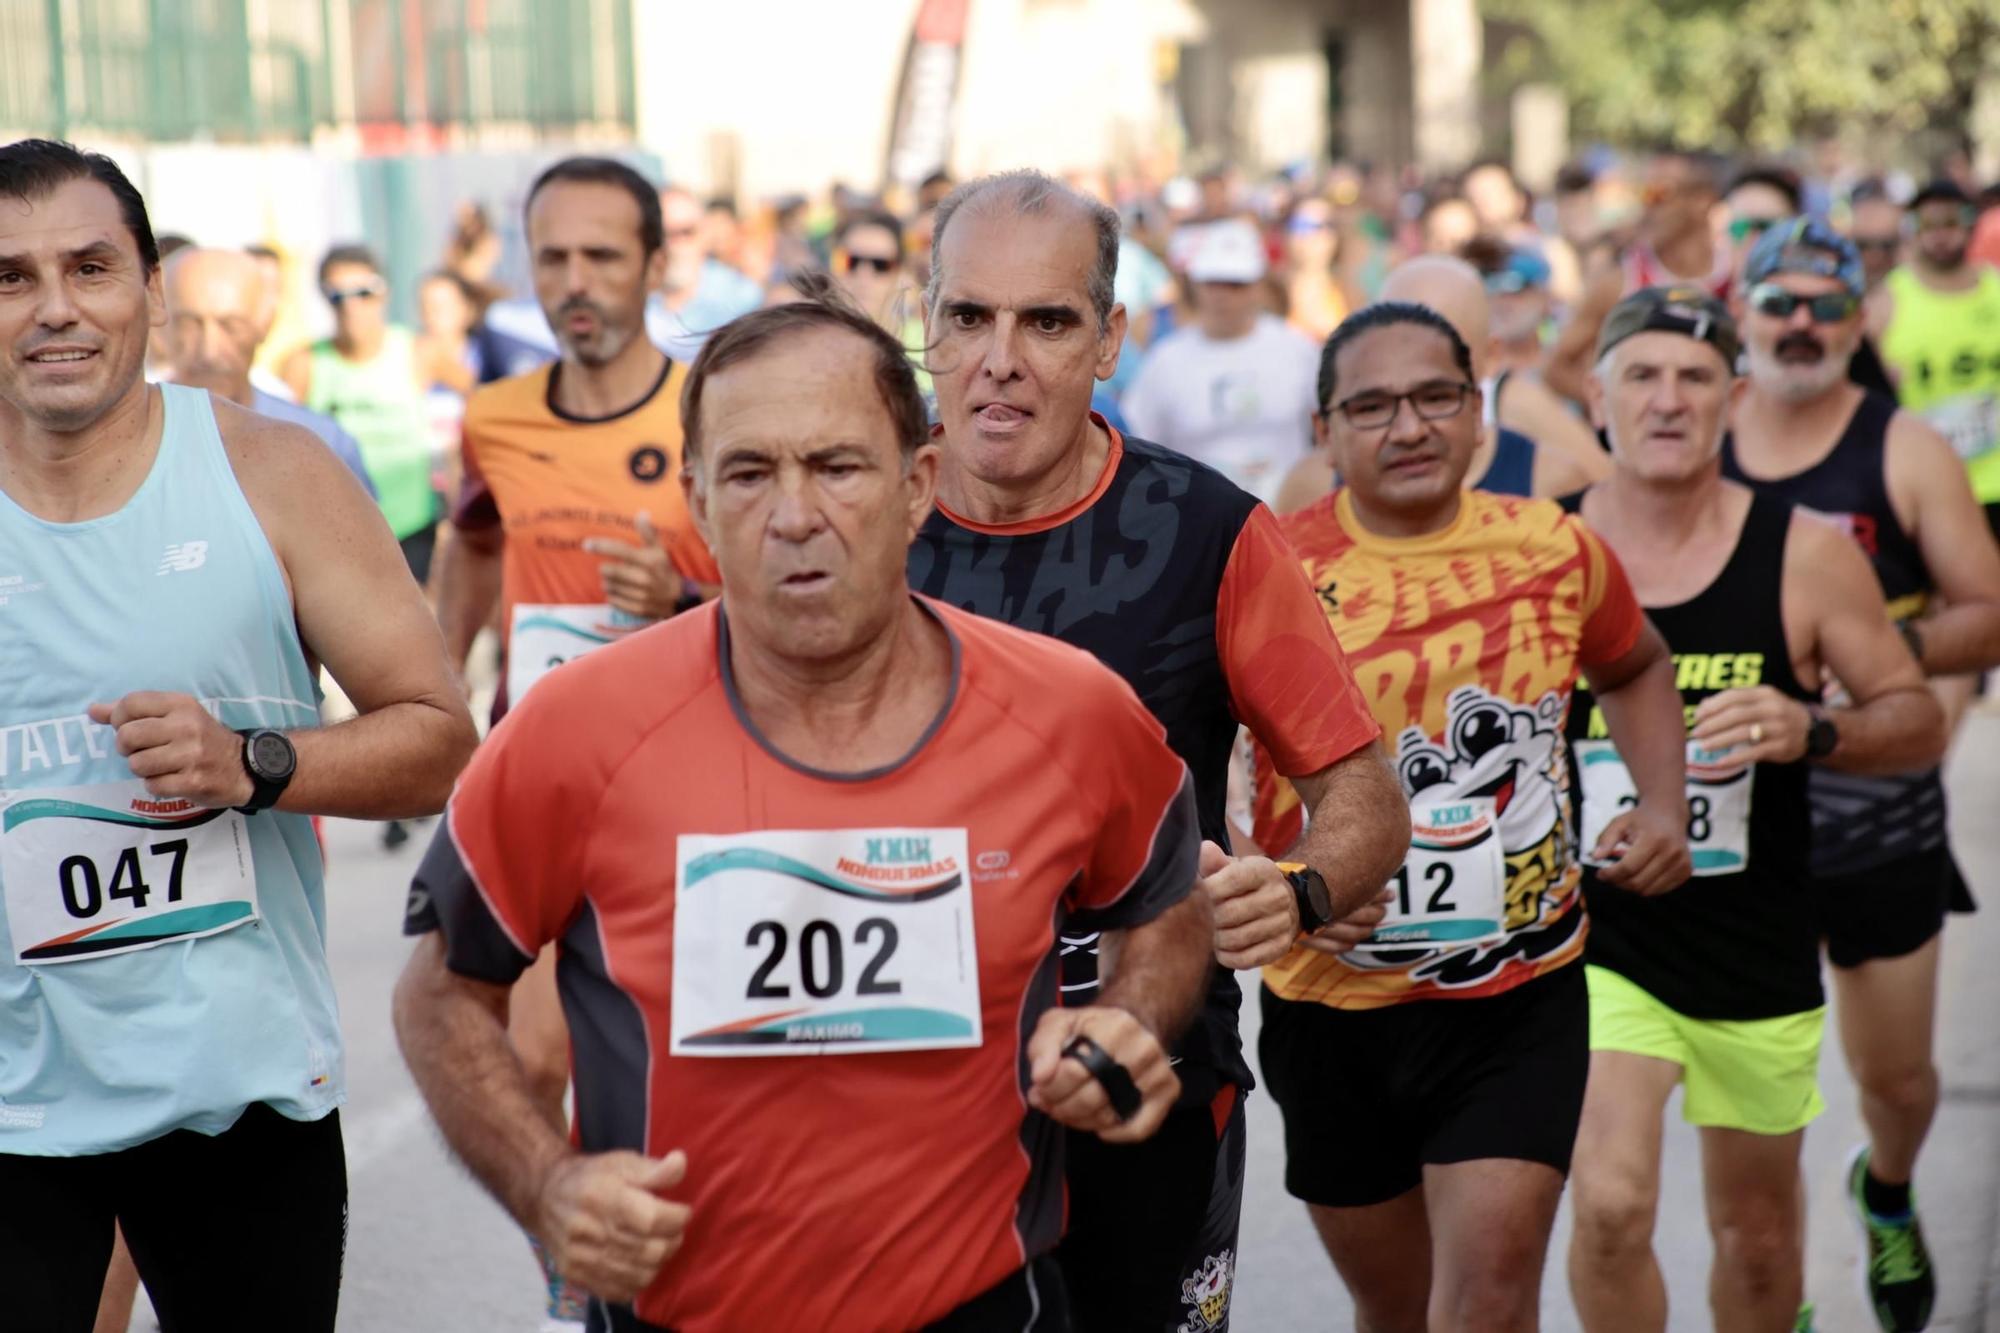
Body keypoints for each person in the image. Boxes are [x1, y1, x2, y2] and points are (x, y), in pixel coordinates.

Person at [395, 285, 1219, 1333]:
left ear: (918, 483)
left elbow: (1163, 896)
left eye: (836, 466)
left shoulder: (1066, 710)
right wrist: (545, 1184)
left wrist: (1129, 1017)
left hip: (980, 1309)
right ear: (694, 497)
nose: (794, 515)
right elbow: (438, 992)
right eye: (748, 472)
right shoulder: (576, 728)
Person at [910, 170, 1409, 1333]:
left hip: (1152, 1081)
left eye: (1045, 322)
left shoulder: (1209, 530)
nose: (999, 356)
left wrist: (1297, 892)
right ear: (924, 327)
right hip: (912, 1100)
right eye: (967, 316)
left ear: (1108, 340)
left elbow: (1361, 792)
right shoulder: (859, 513)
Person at [0, 137, 477, 1332]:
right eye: (9, 277)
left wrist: (256, 763)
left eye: (91, 267)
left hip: (237, 1097)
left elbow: (437, 734)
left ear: (150, 290)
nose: (54, 308)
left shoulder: (272, 474)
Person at [1248, 300, 1692, 1333]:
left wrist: (1660, 801)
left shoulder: (1553, 545)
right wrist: (1288, 877)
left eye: (1434, 397)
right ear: (1323, 431)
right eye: (1370, 406)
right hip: (1330, 1003)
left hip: (1516, 991)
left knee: (1488, 1301)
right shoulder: (1266, 566)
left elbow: (1633, 665)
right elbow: (1193, 752)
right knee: (1395, 1307)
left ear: (1476, 411)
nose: (1407, 427)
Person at [1562, 286, 1947, 1333]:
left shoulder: (1804, 553)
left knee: (1758, 1241)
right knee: (1605, 1204)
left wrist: (1809, 729)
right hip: (1599, 944)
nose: (1666, 400)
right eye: (1639, 375)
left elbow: (1914, 721)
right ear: (1597, 397)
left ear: (1732, 401)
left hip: (1752, 942)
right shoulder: (1544, 554)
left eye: (1693, 378)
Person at [429, 155, 723, 1328]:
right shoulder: (496, 414)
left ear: (655, 263)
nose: (576, 281)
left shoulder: (714, 398)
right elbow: (478, 540)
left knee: (685, 1064)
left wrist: (688, 599)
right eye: (552, 257)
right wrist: (434, 691)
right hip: (544, 785)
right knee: (536, 1058)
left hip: (691, 783)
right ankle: (581, 1259)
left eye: (603, 255)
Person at [1723, 222, 2000, 1331]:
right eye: (1777, 303)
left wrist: (1870, 660)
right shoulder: (1690, 435)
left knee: (1893, 1081)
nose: (1798, 324)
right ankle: (1770, 1287)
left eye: (1821, 306)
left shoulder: (1902, 450)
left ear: (1855, 320)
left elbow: (1985, 612)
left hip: (1875, 799)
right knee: (1756, 1095)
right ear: (1739, 313)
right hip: (1735, 815)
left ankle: (1883, 1187)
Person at [1272, 256, 1609, 514]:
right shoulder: (1313, 486)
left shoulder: (1548, 477)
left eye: (1444, 347)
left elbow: (1608, 486)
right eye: (1398, 341)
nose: (1410, 430)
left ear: (1490, 357)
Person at [1121, 217, 1322, 505]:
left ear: (1258, 286)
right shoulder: (1164, 362)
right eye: (1212, 282)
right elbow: (1137, 446)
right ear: (1196, 285)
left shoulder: (1298, 349)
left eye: (1235, 284)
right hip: (1199, 525)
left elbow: (1330, 435)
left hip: (1289, 521)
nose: (1222, 296)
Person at [161, 247, 376, 497]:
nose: (209, 350)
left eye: (230, 327)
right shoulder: (120, 445)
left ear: (265, 324)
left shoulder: (322, 445)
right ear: (159, 322)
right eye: (189, 325)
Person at [283, 243, 441, 581]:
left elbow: (475, 403)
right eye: (337, 296)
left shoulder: (416, 351)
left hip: (413, 524)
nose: (351, 307)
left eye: (363, 292)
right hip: (339, 528)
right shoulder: (305, 363)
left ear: (385, 293)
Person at [1874, 180, 2000, 531]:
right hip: (1928, 486)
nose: (1940, 235)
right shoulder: (1886, 302)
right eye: (1927, 224)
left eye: (1950, 222)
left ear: (1970, 224)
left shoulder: (1996, 289)